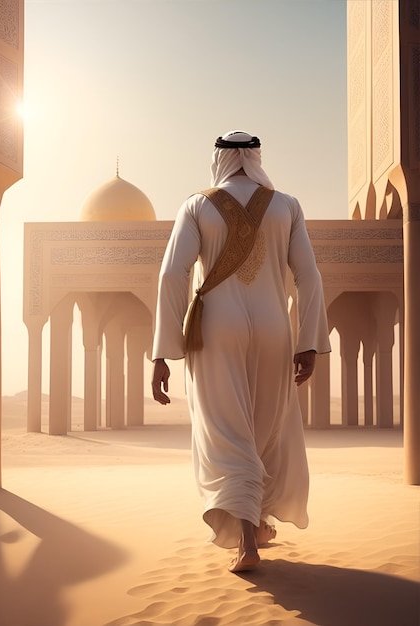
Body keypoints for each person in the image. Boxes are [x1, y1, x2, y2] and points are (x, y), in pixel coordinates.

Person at [151, 130, 331, 573]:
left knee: (227, 430)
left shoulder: (196, 204)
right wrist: (308, 340)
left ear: (219, 159)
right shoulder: (286, 205)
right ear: (255, 158)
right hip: (274, 328)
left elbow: (173, 275)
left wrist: (162, 351)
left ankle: (247, 541)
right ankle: (261, 524)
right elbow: (309, 276)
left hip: (215, 329)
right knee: (264, 425)